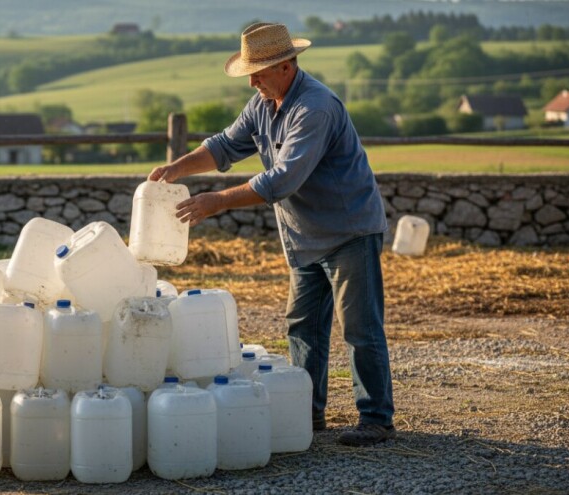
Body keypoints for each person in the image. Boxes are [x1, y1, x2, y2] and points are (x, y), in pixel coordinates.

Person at [148, 22, 395, 447]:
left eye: (259, 71)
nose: (252, 80)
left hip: (347, 228)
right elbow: (224, 145)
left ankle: (376, 419)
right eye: (250, 71)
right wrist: (177, 168)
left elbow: (282, 180)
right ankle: (307, 413)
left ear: (285, 66)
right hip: (304, 236)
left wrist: (216, 201)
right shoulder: (263, 102)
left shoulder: (314, 108)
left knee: (359, 327)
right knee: (303, 327)